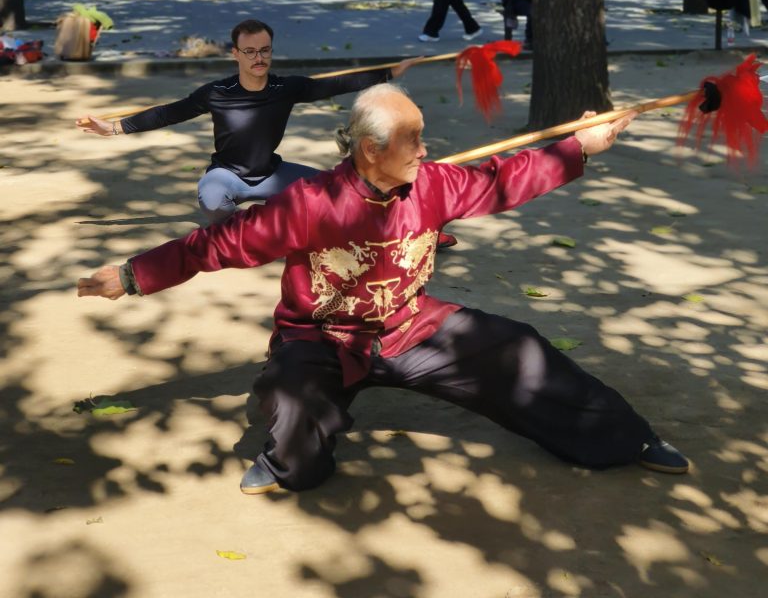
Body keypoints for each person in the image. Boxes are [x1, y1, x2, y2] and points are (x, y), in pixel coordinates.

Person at [78, 83, 690, 495]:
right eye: (414, 141)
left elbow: (508, 177)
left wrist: (578, 145)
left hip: (408, 329)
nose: (427, 151)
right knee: (296, 418)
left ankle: (623, 435)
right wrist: (132, 276)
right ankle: (287, 460)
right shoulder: (308, 205)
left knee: (521, 349)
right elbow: (211, 246)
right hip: (318, 338)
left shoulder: (433, 184)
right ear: (370, 149)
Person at [75, 19, 417, 222]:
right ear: (235, 54)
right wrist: (115, 127)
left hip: (271, 174)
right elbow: (169, 112)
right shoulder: (217, 93)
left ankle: (402, 221)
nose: (259, 58)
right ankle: (253, 224)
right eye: (250, 51)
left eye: (265, 50)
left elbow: (334, 84)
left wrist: (387, 72)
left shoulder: (286, 88)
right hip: (227, 177)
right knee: (211, 203)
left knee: (340, 189)